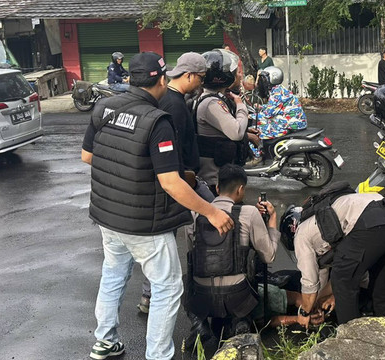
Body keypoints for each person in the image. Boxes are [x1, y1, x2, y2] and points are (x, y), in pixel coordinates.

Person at [81, 51, 233, 360]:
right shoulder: (156, 121)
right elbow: (171, 183)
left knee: (113, 274)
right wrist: (212, 211)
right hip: (145, 224)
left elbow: (88, 155)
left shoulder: (104, 107)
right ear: (161, 80)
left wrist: (129, 169)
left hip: (108, 217)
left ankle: (105, 340)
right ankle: (159, 355)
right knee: (167, 287)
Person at [135, 52, 208, 314]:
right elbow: (169, 149)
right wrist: (183, 175)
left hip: (178, 177)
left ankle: (148, 296)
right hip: (178, 180)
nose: (201, 83)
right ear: (188, 75)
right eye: (200, 77)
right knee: (209, 218)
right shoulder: (174, 105)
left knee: (164, 239)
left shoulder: (171, 99)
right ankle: (159, 295)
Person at [292, 179, 385, 326]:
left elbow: (310, 283)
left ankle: (351, 337)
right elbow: (352, 272)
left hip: (372, 223)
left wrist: (305, 312)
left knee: (342, 280)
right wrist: (317, 303)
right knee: (380, 273)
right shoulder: (323, 216)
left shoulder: (301, 235)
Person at [185, 164, 279, 349]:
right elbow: (269, 256)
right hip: (238, 298)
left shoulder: (195, 214)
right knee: (252, 263)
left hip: (202, 298)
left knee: (184, 278)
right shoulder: (249, 213)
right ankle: (240, 320)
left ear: (217, 188)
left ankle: (199, 324)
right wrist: (273, 218)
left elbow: (192, 256)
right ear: (241, 189)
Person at [196, 49, 249, 192]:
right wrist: (240, 105)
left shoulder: (212, 98)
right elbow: (236, 132)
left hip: (218, 174)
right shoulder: (211, 103)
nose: (236, 74)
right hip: (214, 179)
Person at [247, 66, 308, 162]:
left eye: (264, 78)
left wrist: (249, 116)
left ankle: (257, 156)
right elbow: (275, 108)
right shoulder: (278, 89)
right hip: (291, 121)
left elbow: (268, 114)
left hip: (289, 124)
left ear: (273, 78)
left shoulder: (276, 93)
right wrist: (261, 107)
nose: (262, 81)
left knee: (252, 130)